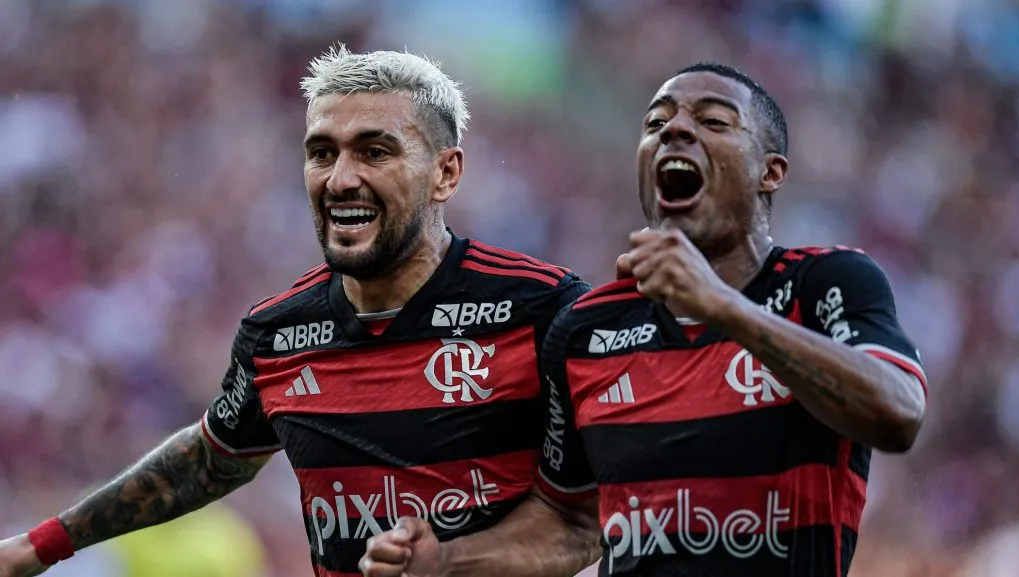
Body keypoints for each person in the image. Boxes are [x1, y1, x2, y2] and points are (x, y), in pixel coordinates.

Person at [0, 44, 590, 577]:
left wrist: (450, 563)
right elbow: (208, 460)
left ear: (445, 173)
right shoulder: (278, 333)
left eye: (375, 152)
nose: (340, 179)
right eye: (322, 153)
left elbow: (582, 526)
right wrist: (39, 546)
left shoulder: (544, 311)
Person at [359, 62, 928, 577]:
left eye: (714, 121)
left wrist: (724, 307)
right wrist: (448, 560)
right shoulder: (586, 331)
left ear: (770, 171)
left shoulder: (825, 281)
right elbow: (571, 520)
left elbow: (897, 412)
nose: (675, 130)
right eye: (656, 123)